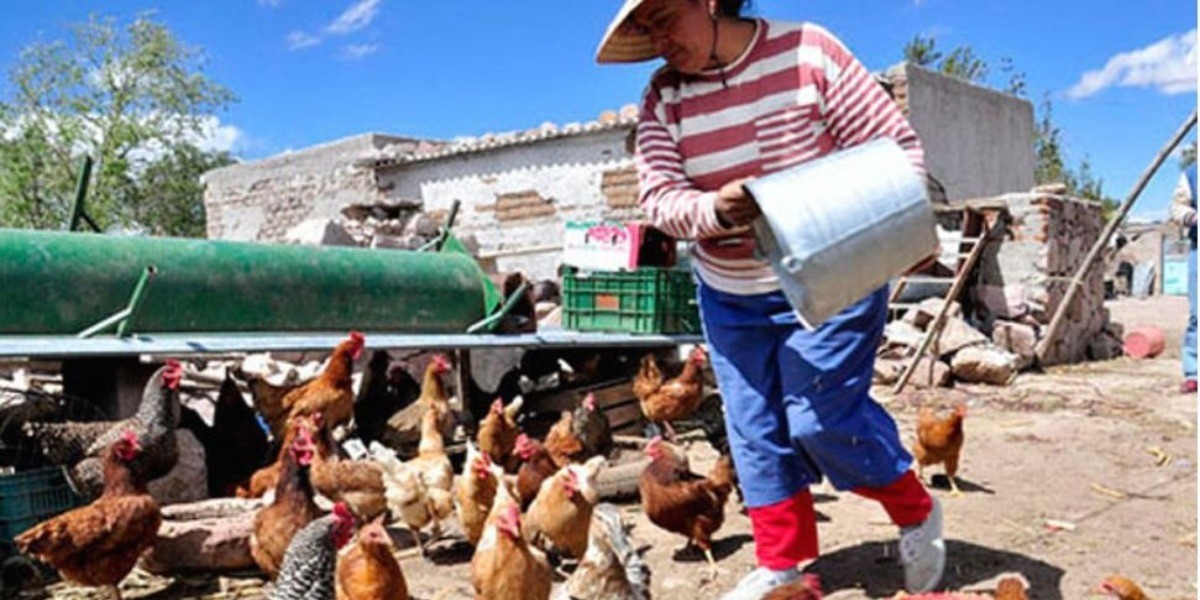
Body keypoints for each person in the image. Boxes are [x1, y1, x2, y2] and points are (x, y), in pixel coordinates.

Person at [595, 1, 945, 598]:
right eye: (645, 29)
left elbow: (898, 154)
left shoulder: (809, 52)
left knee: (820, 418)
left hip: (833, 273)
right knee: (753, 429)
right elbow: (659, 198)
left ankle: (915, 509)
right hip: (730, 290)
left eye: (665, 19)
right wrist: (714, 209)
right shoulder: (663, 98)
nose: (658, 40)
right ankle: (784, 561)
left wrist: (849, 210)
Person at [1169, 164, 1197, 393]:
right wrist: (1192, 217)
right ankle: (1194, 373)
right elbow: (1178, 207)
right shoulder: (1192, 173)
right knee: (1198, 315)